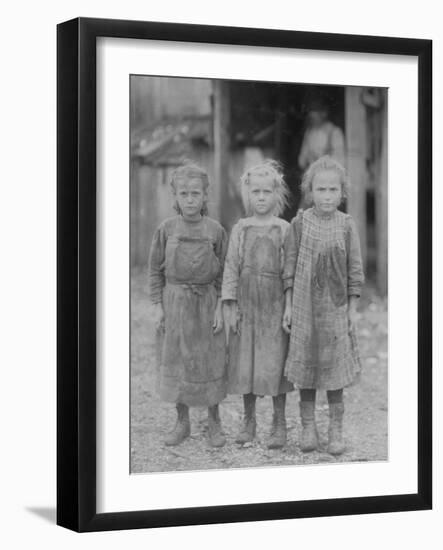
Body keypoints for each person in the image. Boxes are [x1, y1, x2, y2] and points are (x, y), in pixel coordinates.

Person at [282, 155, 364, 455]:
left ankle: (335, 428)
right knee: (306, 366)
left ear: (342, 193)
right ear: (310, 191)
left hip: (334, 309)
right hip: (304, 308)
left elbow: (355, 270)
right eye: (321, 190)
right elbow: (289, 266)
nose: (327, 196)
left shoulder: (346, 225)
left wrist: (352, 311)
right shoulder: (300, 222)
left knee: (333, 369)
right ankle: (307, 427)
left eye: (333, 190)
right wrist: (289, 305)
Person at [148, 163, 228, 447]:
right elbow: (155, 271)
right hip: (175, 303)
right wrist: (158, 305)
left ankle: (214, 422)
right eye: (184, 193)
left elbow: (224, 275)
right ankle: (182, 423)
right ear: (175, 196)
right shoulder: (166, 229)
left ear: (206, 196)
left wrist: (220, 306)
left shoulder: (216, 230)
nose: (190, 199)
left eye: (196, 193)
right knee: (177, 361)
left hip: (206, 303)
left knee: (209, 360)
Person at [222, 161, 294, 449]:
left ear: (277, 194)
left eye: (266, 192)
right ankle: (248, 420)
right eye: (256, 192)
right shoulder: (241, 228)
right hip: (247, 305)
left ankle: (279, 423)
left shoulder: (285, 229)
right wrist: (231, 305)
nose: (261, 197)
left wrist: (288, 307)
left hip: (274, 305)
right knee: (245, 363)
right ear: (247, 194)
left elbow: (289, 272)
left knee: (275, 362)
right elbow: (231, 267)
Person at [298, 99, 345, 172]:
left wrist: (322, 161)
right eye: (310, 116)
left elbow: (340, 161)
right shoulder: (309, 132)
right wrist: (308, 159)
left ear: (324, 113)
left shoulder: (335, 132)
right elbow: (301, 161)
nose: (312, 118)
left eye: (315, 112)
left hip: (329, 177)